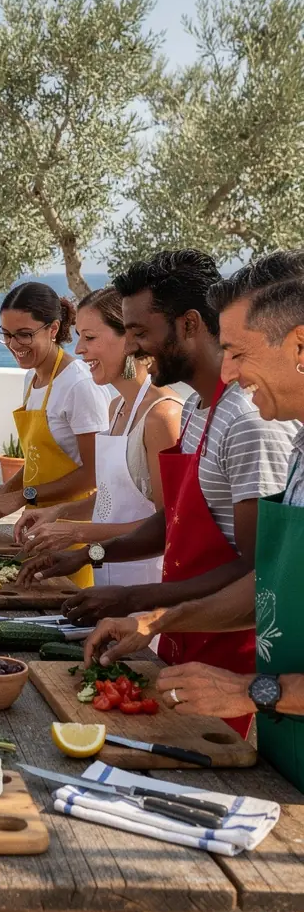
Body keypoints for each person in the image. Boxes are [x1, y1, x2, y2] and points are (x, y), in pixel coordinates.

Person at [77, 252, 304, 912]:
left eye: (239, 353)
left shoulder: (260, 426)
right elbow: (269, 580)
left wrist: (252, 690)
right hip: (273, 729)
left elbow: (246, 566)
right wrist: (157, 620)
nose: (229, 374)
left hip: (255, 694)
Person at [19, 250, 296, 733]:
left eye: (140, 333)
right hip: (192, 643)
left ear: (188, 326)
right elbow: (175, 523)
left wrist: (141, 601)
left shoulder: (252, 424)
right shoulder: (195, 412)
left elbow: (258, 572)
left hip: (231, 661)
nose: (132, 347)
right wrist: (98, 560)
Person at [14, 288, 183, 586]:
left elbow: (170, 525)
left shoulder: (162, 416)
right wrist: (59, 513)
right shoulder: (117, 406)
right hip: (108, 583)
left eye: (90, 338)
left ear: (130, 339)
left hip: (146, 590)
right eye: (79, 336)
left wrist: (77, 533)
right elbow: (110, 500)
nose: (78, 349)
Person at [0, 281, 112, 587]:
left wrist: (23, 496)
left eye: (24, 334)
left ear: (53, 329)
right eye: (6, 334)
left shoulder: (79, 385)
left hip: (74, 532)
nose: (13, 343)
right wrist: (3, 492)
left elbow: (93, 475)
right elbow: (38, 461)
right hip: (40, 529)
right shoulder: (33, 379)